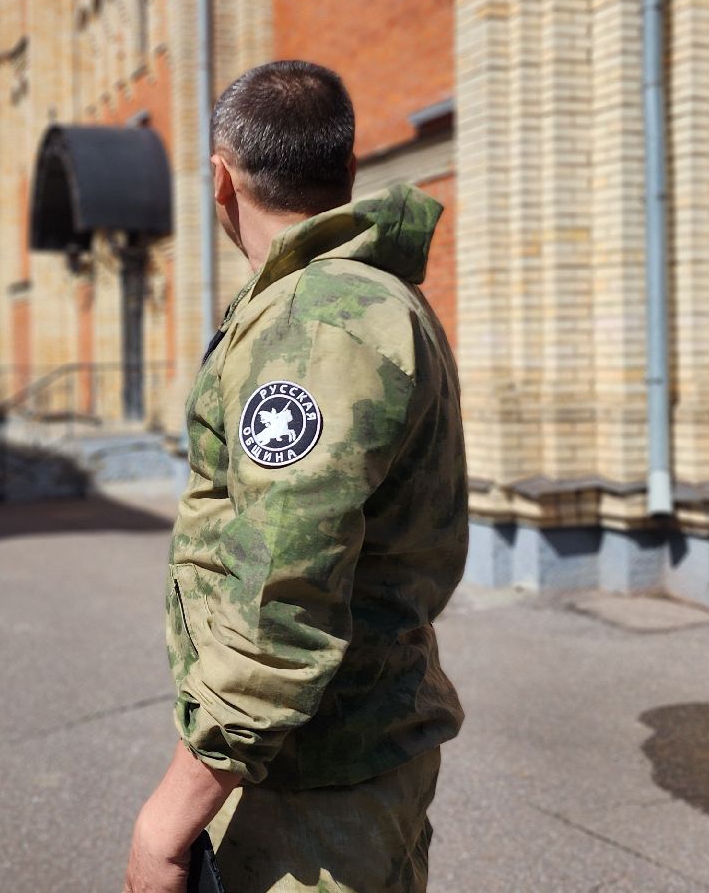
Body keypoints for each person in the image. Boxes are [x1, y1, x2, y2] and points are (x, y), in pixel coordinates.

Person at [124, 61, 467, 893]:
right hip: (332, 753)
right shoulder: (359, 298)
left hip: (311, 780)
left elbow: (284, 591)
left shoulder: (317, 322)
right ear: (346, 173)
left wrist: (167, 819)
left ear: (220, 178)